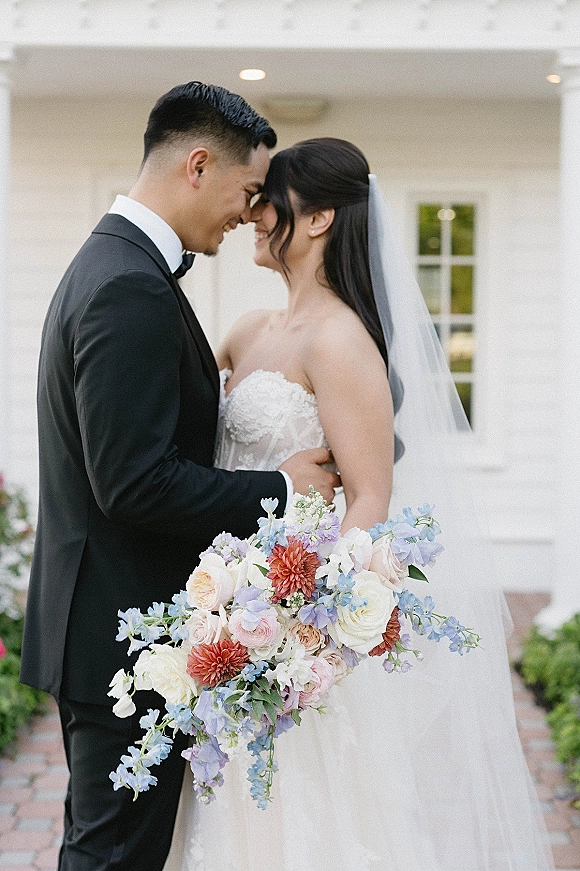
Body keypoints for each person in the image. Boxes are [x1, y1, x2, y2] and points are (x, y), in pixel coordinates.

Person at [164, 138, 553, 870]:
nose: (253, 212)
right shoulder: (248, 331)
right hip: (220, 621)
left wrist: (302, 628)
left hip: (289, 639)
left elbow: (370, 493)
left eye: (268, 198)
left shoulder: (342, 342)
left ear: (317, 220)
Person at [19, 85, 339, 871]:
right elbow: (132, 482)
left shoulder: (119, 265)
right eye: (245, 192)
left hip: (106, 623)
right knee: (112, 856)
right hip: (119, 633)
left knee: (109, 848)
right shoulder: (128, 283)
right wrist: (284, 487)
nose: (247, 214)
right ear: (198, 164)